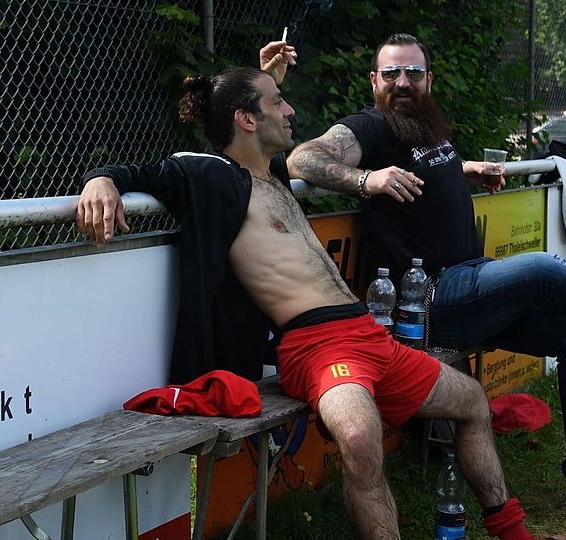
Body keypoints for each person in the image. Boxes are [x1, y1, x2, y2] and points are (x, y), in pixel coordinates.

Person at [77, 42, 537, 540]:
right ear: (246, 120)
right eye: (278, 102)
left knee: (471, 401)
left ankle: (511, 531)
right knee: (359, 438)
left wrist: (266, 79)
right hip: (316, 347)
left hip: (367, 333)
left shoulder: (272, 175)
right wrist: (100, 179)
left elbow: (271, 136)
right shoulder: (210, 174)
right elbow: (144, 172)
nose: (291, 109)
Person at [287, 33, 566, 523]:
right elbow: (302, 159)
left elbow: (427, 172)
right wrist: (365, 179)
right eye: (392, 73)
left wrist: (464, 169)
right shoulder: (371, 125)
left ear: (428, 80)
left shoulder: (424, 125)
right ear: (374, 80)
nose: (403, 82)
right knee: (544, 267)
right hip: (430, 300)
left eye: (413, 73)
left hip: (473, 288)